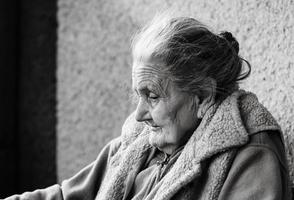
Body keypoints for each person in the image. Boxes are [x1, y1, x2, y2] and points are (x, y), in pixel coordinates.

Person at [5, 13, 292, 200]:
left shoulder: (250, 155)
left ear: (203, 96)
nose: (140, 115)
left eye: (152, 96)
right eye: (137, 96)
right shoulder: (140, 142)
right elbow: (68, 197)